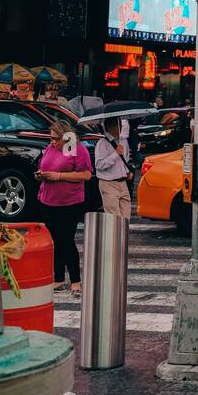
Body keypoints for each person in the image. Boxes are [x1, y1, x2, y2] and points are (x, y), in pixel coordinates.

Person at [35, 123, 92, 294]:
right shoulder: (50, 148)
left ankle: (75, 280)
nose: (52, 142)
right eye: (50, 138)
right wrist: (41, 174)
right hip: (48, 199)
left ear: (66, 137)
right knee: (54, 241)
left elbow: (86, 174)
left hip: (70, 202)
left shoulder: (77, 149)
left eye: (55, 138)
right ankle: (58, 278)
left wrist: (59, 176)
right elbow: (46, 166)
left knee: (66, 240)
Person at [94, 118, 132, 219]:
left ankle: (123, 235)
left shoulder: (124, 141)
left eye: (120, 123)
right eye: (116, 124)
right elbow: (99, 165)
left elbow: (125, 160)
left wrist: (127, 171)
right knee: (114, 219)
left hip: (123, 183)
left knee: (126, 218)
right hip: (108, 183)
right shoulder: (102, 143)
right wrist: (115, 154)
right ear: (108, 127)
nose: (119, 126)